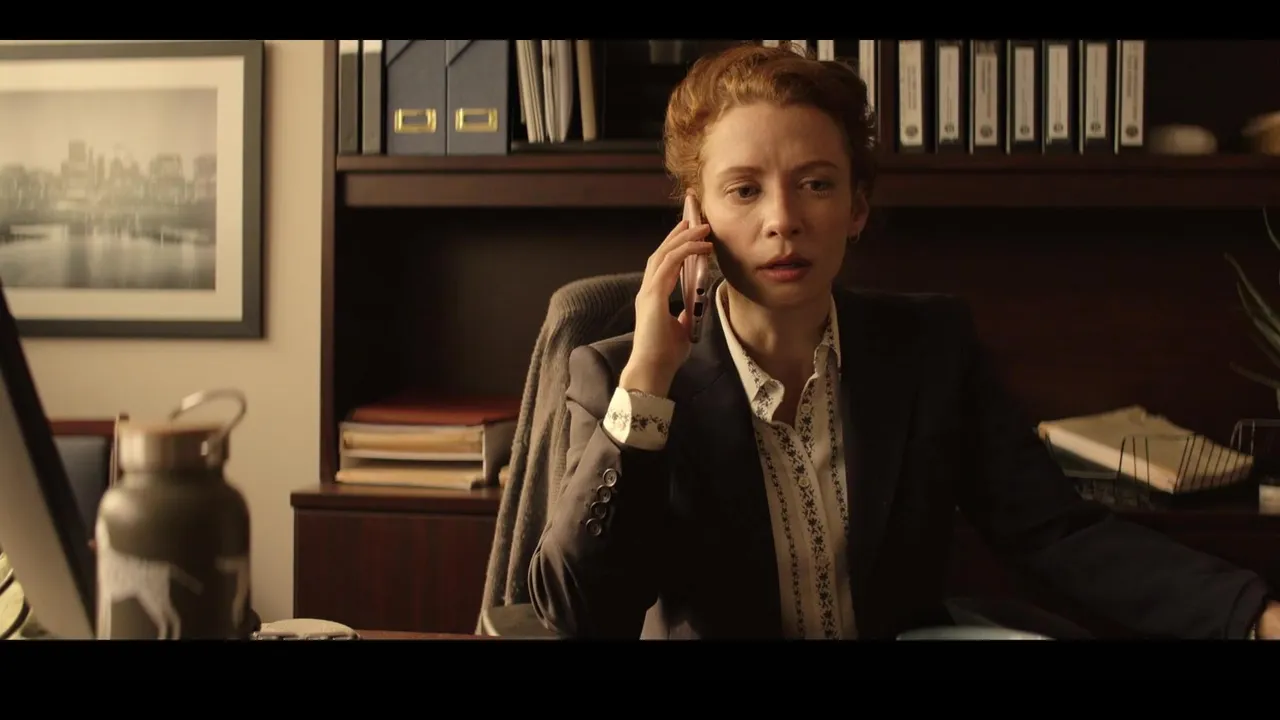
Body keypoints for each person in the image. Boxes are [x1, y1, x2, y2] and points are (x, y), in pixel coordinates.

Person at [527, 42, 1279, 640]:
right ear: (696, 217)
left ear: (857, 207)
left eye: (816, 184)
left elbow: (1054, 533)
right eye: (744, 189)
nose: (783, 219)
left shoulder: (927, 348)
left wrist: (1253, 617)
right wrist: (649, 378)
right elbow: (580, 613)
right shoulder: (621, 377)